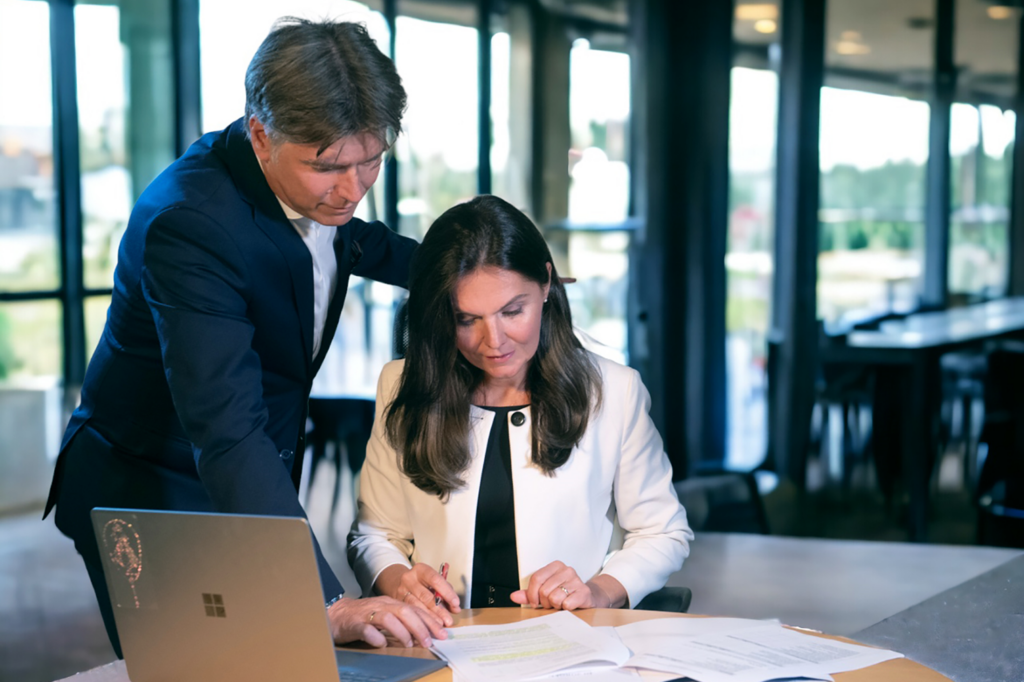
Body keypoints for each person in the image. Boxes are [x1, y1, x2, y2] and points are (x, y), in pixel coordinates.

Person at [43, 18, 447, 656]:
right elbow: (226, 428)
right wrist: (324, 601)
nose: (353, 188)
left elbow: (353, 242)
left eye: (372, 160)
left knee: (281, 662)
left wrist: (471, 270)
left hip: (246, 479)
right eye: (331, 167)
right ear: (261, 135)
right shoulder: (190, 223)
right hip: (155, 495)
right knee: (202, 667)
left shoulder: (309, 188)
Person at [347, 195, 693, 618]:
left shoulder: (614, 391)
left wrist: (599, 591)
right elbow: (374, 534)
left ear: (546, 284)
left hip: (568, 649)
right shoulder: (403, 384)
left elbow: (662, 531)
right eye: (466, 319)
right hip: (444, 642)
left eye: (512, 311)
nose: (493, 342)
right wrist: (400, 583)